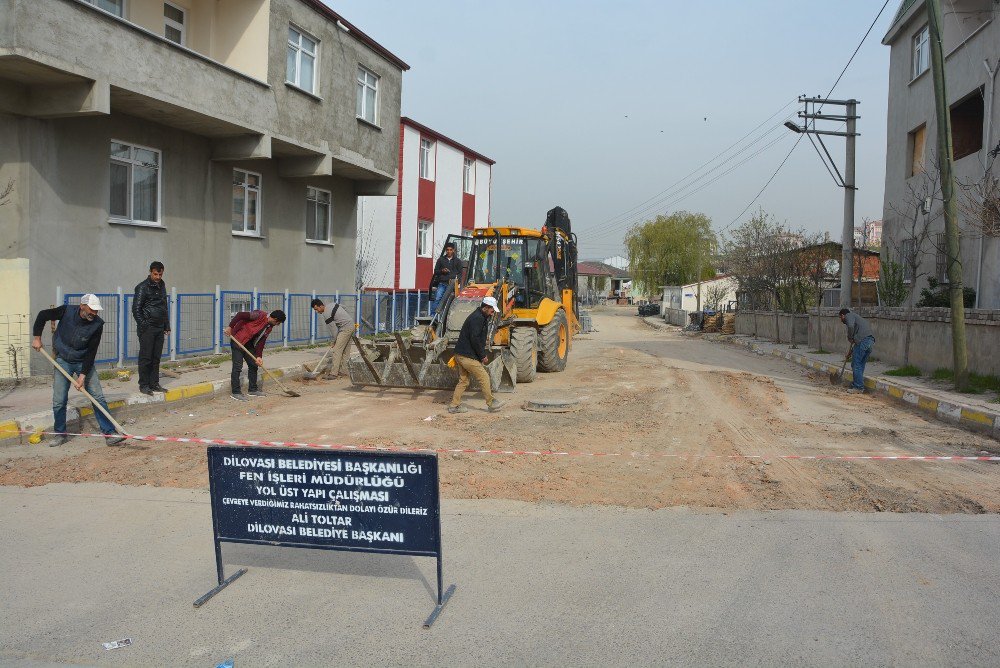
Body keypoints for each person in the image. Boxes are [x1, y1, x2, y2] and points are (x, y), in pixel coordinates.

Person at [31, 294, 127, 447]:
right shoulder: (66, 311)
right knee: (59, 400)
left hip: (83, 361)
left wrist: (82, 375)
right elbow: (43, 315)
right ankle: (60, 434)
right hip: (63, 360)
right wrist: (37, 337)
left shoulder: (97, 325)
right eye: (92, 310)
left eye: (96, 311)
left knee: (97, 397)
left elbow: (91, 352)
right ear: (82, 306)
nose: (94, 313)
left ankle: (109, 433)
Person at [448, 296, 504, 414]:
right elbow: (475, 339)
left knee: (463, 381)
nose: (493, 312)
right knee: (484, 377)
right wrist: (482, 355)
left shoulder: (479, 316)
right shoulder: (477, 318)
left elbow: (475, 337)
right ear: (486, 308)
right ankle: (491, 403)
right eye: (492, 309)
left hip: (460, 354)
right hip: (467, 356)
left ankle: (454, 406)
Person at [224, 309, 286, 401]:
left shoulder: (269, 327)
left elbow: (261, 342)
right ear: (275, 319)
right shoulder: (258, 315)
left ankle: (252, 390)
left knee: (253, 364)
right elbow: (240, 315)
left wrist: (259, 356)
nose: (277, 325)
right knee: (237, 366)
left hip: (248, 344)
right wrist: (230, 327)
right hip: (238, 339)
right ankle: (236, 392)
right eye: (278, 323)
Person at [132, 260, 170, 396]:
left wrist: (167, 325)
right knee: (146, 357)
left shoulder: (162, 285)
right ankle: (144, 385)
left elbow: (164, 306)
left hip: (160, 327)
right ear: (150, 272)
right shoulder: (142, 287)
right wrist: (144, 324)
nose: (158, 277)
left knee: (156, 357)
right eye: (155, 274)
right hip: (147, 328)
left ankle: (154, 383)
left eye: (160, 274)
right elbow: (136, 309)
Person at [311, 298, 354, 379]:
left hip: (345, 329)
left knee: (336, 350)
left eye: (317, 309)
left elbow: (334, 330)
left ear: (321, 306)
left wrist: (334, 341)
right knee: (345, 351)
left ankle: (334, 374)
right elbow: (344, 307)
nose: (317, 311)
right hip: (351, 325)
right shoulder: (332, 304)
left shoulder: (326, 314)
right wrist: (346, 318)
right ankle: (343, 371)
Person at [839, 308, 875, 394]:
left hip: (863, 342)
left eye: (840, 317)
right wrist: (850, 353)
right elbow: (857, 344)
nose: (841, 320)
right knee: (860, 364)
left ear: (843, 315)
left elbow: (850, 326)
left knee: (856, 364)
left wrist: (850, 337)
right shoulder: (858, 321)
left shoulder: (849, 315)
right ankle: (857, 384)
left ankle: (858, 387)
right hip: (869, 341)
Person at [430, 242, 463, 316]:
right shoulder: (441, 260)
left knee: (451, 301)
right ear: (446, 250)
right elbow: (435, 271)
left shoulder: (458, 261)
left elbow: (460, 274)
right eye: (447, 250)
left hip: (453, 285)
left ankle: (450, 316)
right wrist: (442, 271)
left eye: (450, 250)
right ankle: (432, 315)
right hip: (442, 283)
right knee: (438, 298)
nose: (449, 251)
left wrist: (458, 283)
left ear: (453, 250)